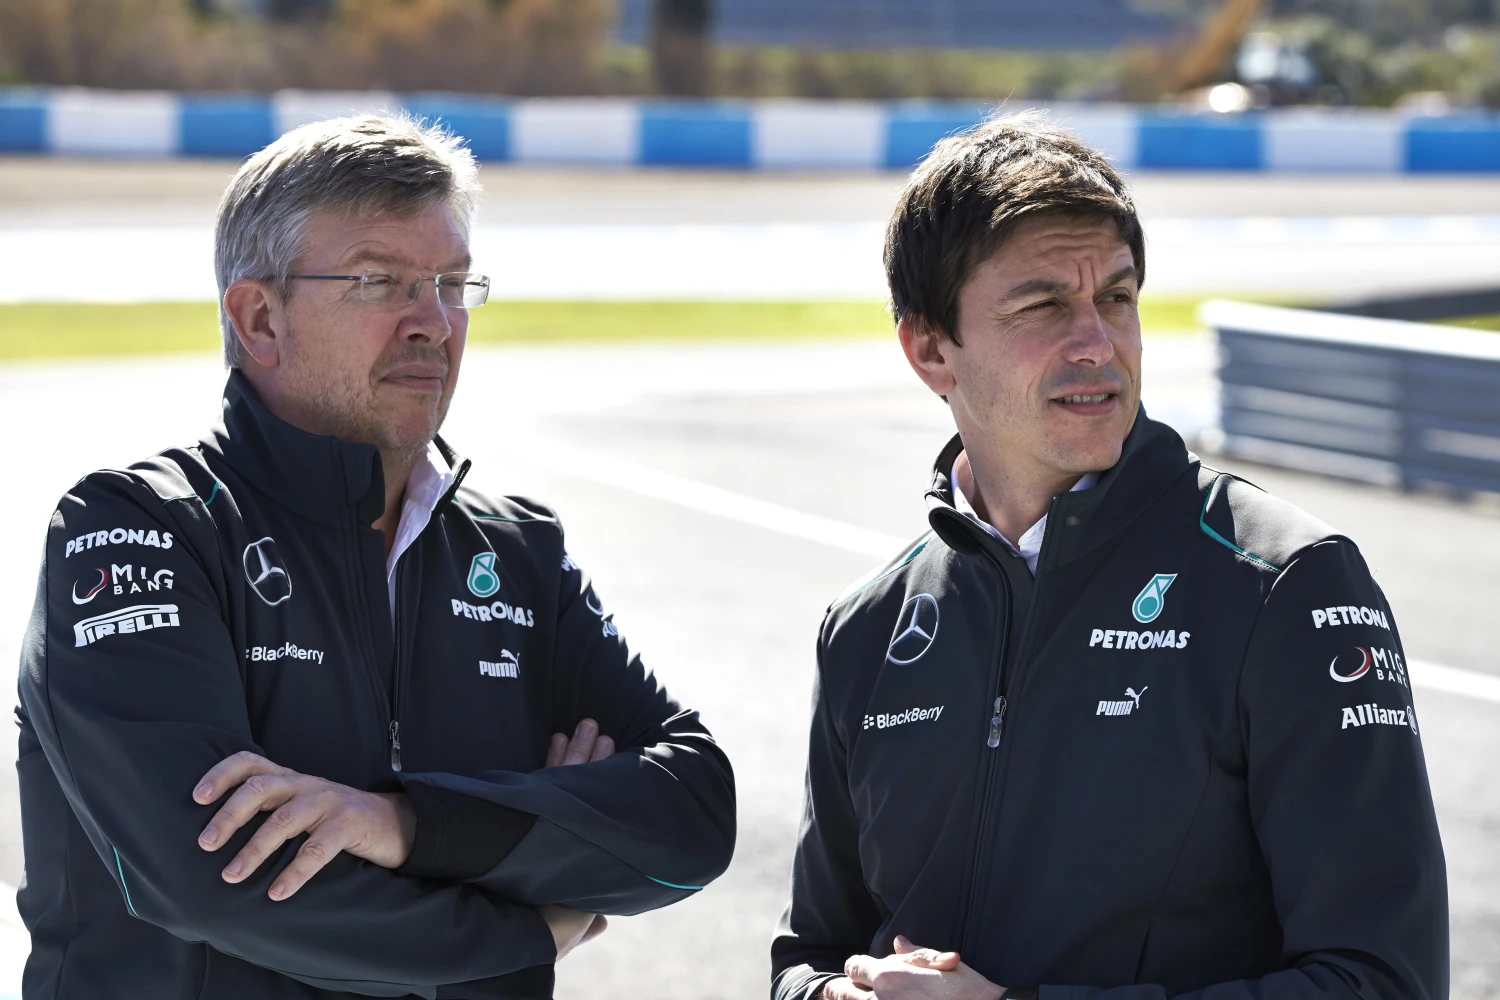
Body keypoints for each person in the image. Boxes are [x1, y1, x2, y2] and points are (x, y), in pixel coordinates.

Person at [17, 114, 735, 1000]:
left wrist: (405, 826)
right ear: (260, 318)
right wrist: (530, 913)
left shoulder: (516, 551)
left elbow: (695, 815)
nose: (433, 322)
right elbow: (214, 883)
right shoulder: (141, 531)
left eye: (452, 283)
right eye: (378, 282)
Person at [771, 113, 1446, 1000]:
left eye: (1117, 299)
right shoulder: (866, 628)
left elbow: (1384, 981)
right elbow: (810, 954)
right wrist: (832, 994)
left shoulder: (1289, 584)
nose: (1098, 343)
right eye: (1043, 305)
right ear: (931, 350)